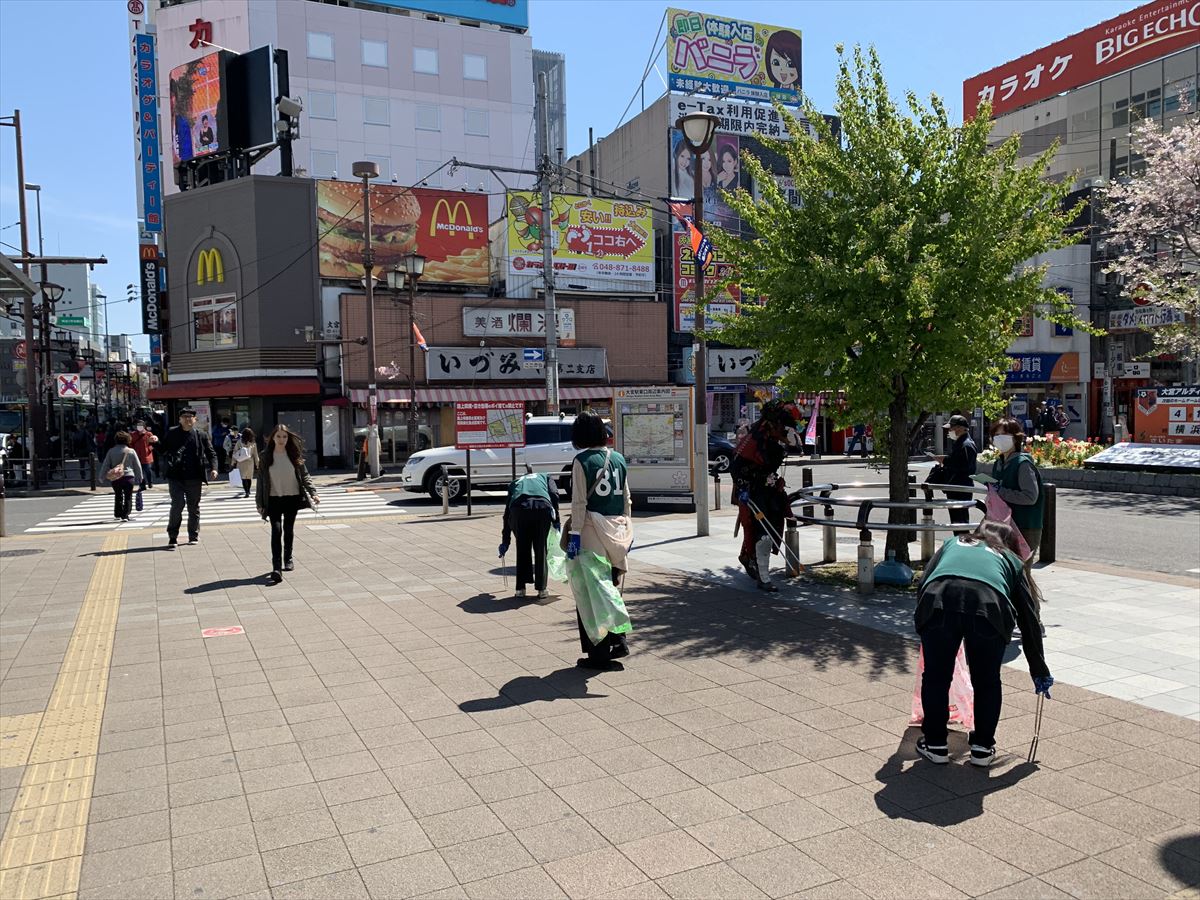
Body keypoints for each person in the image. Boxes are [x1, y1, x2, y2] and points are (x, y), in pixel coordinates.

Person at [914, 520, 1052, 767]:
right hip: (989, 609)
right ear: (1009, 541)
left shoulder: (953, 542)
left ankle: (935, 743)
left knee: (936, 677)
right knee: (987, 681)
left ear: (979, 533)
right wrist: (1039, 671)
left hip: (938, 600)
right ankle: (982, 748)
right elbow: (1028, 619)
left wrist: (925, 622)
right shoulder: (1010, 559)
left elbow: (926, 580)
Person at [565, 411, 633, 669]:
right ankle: (619, 640)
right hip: (617, 530)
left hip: (591, 532)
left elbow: (579, 503)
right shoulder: (618, 458)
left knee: (591, 594)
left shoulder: (581, 461)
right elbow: (627, 499)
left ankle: (599, 654)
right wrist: (626, 531)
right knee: (611, 588)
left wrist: (574, 536)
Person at [731, 399, 799, 591]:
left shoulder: (774, 439)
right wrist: (744, 486)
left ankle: (747, 556)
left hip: (771, 490)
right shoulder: (753, 441)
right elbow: (736, 467)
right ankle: (764, 578)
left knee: (771, 526)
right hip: (753, 492)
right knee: (763, 535)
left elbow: (793, 445)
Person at [256, 425, 319, 583]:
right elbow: (260, 481)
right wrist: (259, 503)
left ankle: (288, 558)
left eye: (284, 437)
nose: (281, 439)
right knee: (276, 531)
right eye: (278, 436)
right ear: (272, 438)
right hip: (273, 499)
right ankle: (276, 568)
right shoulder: (265, 456)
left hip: (292, 497)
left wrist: (313, 493)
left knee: (288, 529)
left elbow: (305, 475)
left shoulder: (293, 454)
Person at [989, 417, 1044, 572]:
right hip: (1004, 525)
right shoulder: (999, 463)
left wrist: (1000, 491)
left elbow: (1030, 497)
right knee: (1007, 572)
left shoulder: (1022, 464)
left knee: (1021, 573)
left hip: (1025, 526)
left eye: (1005, 435)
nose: (1000, 439)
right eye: (996, 435)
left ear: (1016, 438)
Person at [499, 470, 561, 600]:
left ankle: (520, 589)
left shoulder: (515, 482)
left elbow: (507, 513)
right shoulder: (545, 477)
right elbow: (554, 495)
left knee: (522, 548)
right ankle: (542, 589)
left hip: (519, 509)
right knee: (540, 548)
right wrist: (556, 520)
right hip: (542, 508)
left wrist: (505, 541)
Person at [161, 407, 217, 548]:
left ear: (195, 419)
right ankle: (172, 536)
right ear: (180, 419)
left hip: (194, 478)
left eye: (190, 417)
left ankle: (193, 535)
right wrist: (154, 442)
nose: (187, 419)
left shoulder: (201, 435)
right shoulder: (172, 433)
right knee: (177, 505)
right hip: (176, 477)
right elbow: (162, 450)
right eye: (184, 417)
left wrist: (214, 468)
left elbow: (211, 453)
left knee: (193, 507)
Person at [933, 414, 976, 525]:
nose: (949, 431)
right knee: (956, 520)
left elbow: (964, 466)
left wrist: (945, 460)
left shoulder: (966, 444)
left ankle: (963, 537)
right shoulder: (961, 442)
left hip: (960, 487)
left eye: (951, 428)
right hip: (956, 487)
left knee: (960, 521)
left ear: (960, 428)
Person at [101, 431, 143, 522]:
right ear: (128, 440)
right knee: (128, 496)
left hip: (116, 477)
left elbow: (105, 465)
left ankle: (118, 513)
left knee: (118, 495)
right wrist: (140, 477)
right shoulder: (131, 451)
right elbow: (137, 465)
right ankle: (125, 515)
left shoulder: (111, 451)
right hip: (128, 477)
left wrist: (102, 477)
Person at [128, 419, 159, 490]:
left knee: (148, 470)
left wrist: (149, 449)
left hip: (146, 455)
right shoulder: (133, 434)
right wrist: (133, 450)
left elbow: (153, 443)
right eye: (138, 425)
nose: (139, 427)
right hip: (137, 456)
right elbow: (130, 444)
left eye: (141, 425)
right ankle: (142, 485)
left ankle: (150, 482)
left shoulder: (149, 434)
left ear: (144, 426)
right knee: (139, 471)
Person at [231, 427, 259, 499]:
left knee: (243, 478)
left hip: (241, 462)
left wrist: (233, 462)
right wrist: (257, 464)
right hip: (250, 462)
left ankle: (246, 491)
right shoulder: (253, 443)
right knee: (249, 477)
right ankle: (248, 490)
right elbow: (255, 454)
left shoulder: (239, 442)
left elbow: (235, 452)